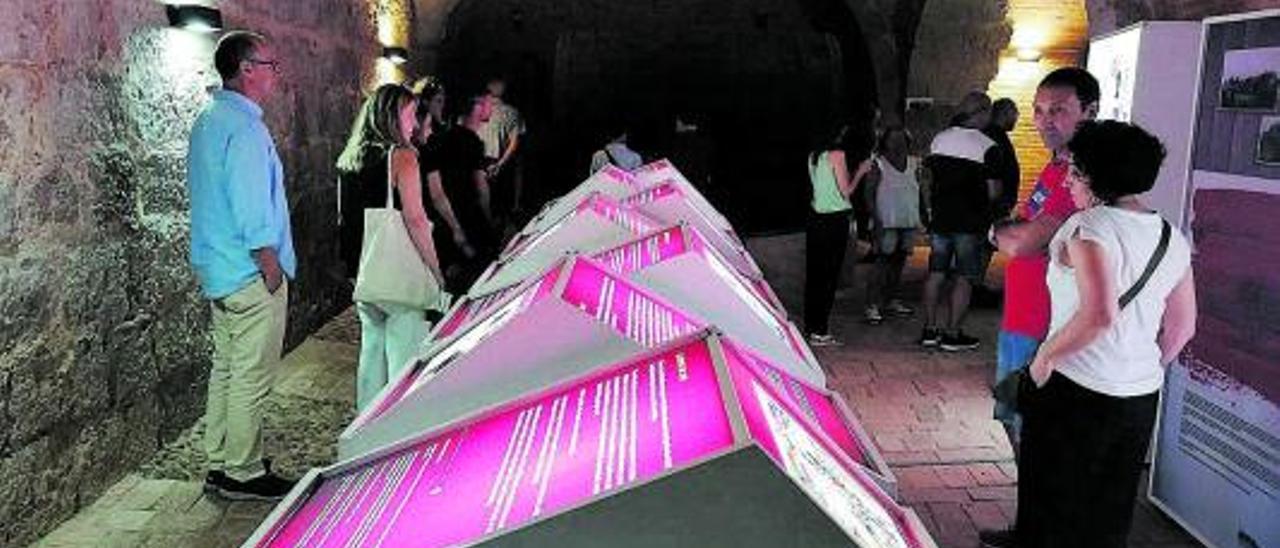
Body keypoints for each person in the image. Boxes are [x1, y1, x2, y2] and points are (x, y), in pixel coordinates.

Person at [1014, 120, 1196, 548]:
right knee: (1109, 513)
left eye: (1075, 170)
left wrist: (1044, 360)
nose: (1069, 180)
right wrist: (1139, 365)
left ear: (1096, 176)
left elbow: (1099, 316)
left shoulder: (1088, 227)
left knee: (1050, 505)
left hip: (1074, 389)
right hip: (1139, 396)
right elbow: (1183, 327)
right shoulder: (1172, 237)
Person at [979, 67, 1099, 548]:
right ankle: (1032, 525)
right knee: (1016, 422)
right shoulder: (1054, 168)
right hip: (1021, 320)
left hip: (1044, 327)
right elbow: (1026, 230)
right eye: (1040, 110)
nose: (1045, 121)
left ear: (1088, 111)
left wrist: (998, 232)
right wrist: (1015, 232)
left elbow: (1024, 238)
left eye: (1059, 111)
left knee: (1037, 431)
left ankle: (1044, 531)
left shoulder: (1082, 175)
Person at [186, 30, 295, 500]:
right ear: (247, 69)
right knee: (250, 375)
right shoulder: (246, 128)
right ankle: (243, 471)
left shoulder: (209, 119)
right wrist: (269, 263)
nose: (275, 72)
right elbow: (252, 204)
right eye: (270, 64)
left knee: (227, 369)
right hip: (250, 273)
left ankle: (221, 460)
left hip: (219, 271)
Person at [337, 84, 446, 411]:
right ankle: (397, 434)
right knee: (403, 363)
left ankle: (365, 427)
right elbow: (414, 219)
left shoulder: (349, 157)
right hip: (398, 274)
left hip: (365, 272)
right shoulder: (402, 156)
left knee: (371, 357)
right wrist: (436, 271)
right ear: (391, 117)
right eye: (411, 115)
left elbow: (346, 220)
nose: (414, 124)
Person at [920, 91, 1000, 351]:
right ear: (981, 112)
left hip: (941, 218)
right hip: (970, 221)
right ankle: (953, 334)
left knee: (936, 274)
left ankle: (930, 330)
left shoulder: (939, 139)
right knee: (964, 277)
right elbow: (993, 192)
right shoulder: (988, 147)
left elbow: (928, 178)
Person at [803, 123, 873, 346]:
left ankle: (812, 327)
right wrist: (861, 172)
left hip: (816, 219)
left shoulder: (814, 156)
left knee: (815, 275)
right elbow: (846, 192)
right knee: (829, 276)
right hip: (835, 221)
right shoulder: (837, 154)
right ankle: (821, 331)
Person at [412, 79, 475, 278]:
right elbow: (435, 191)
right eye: (438, 101)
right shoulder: (419, 141)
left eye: (443, 100)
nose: (442, 105)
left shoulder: (442, 135)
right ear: (425, 103)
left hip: (445, 201)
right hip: (429, 206)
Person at [436, 91, 498, 291]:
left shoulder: (443, 137)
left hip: (447, 217)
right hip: (470, 217)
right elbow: (481, 187)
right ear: (477, 107)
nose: (491, 108)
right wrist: (488, 220)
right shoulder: (473, 142)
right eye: (488, 104)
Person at [863, 126, 924, 325]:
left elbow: (921, 191)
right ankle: (872, 304)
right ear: (884, 142)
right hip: (886, 221)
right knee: (881, 263)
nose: (897, 144)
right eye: (893, 139)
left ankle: (890, 299)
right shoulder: (878, 164)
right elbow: (868, 194)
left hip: (907, 220)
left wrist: (924, 215)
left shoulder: (915, 163)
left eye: (901, 140)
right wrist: (876, 219)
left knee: (898, 263)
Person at [478, 76, 527, 226]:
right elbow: (514, 143)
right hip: (499, 162)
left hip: (481, 161)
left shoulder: (479, 109)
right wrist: (500, 164)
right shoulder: (512, 112)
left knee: (485, 204)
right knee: (498, 205)